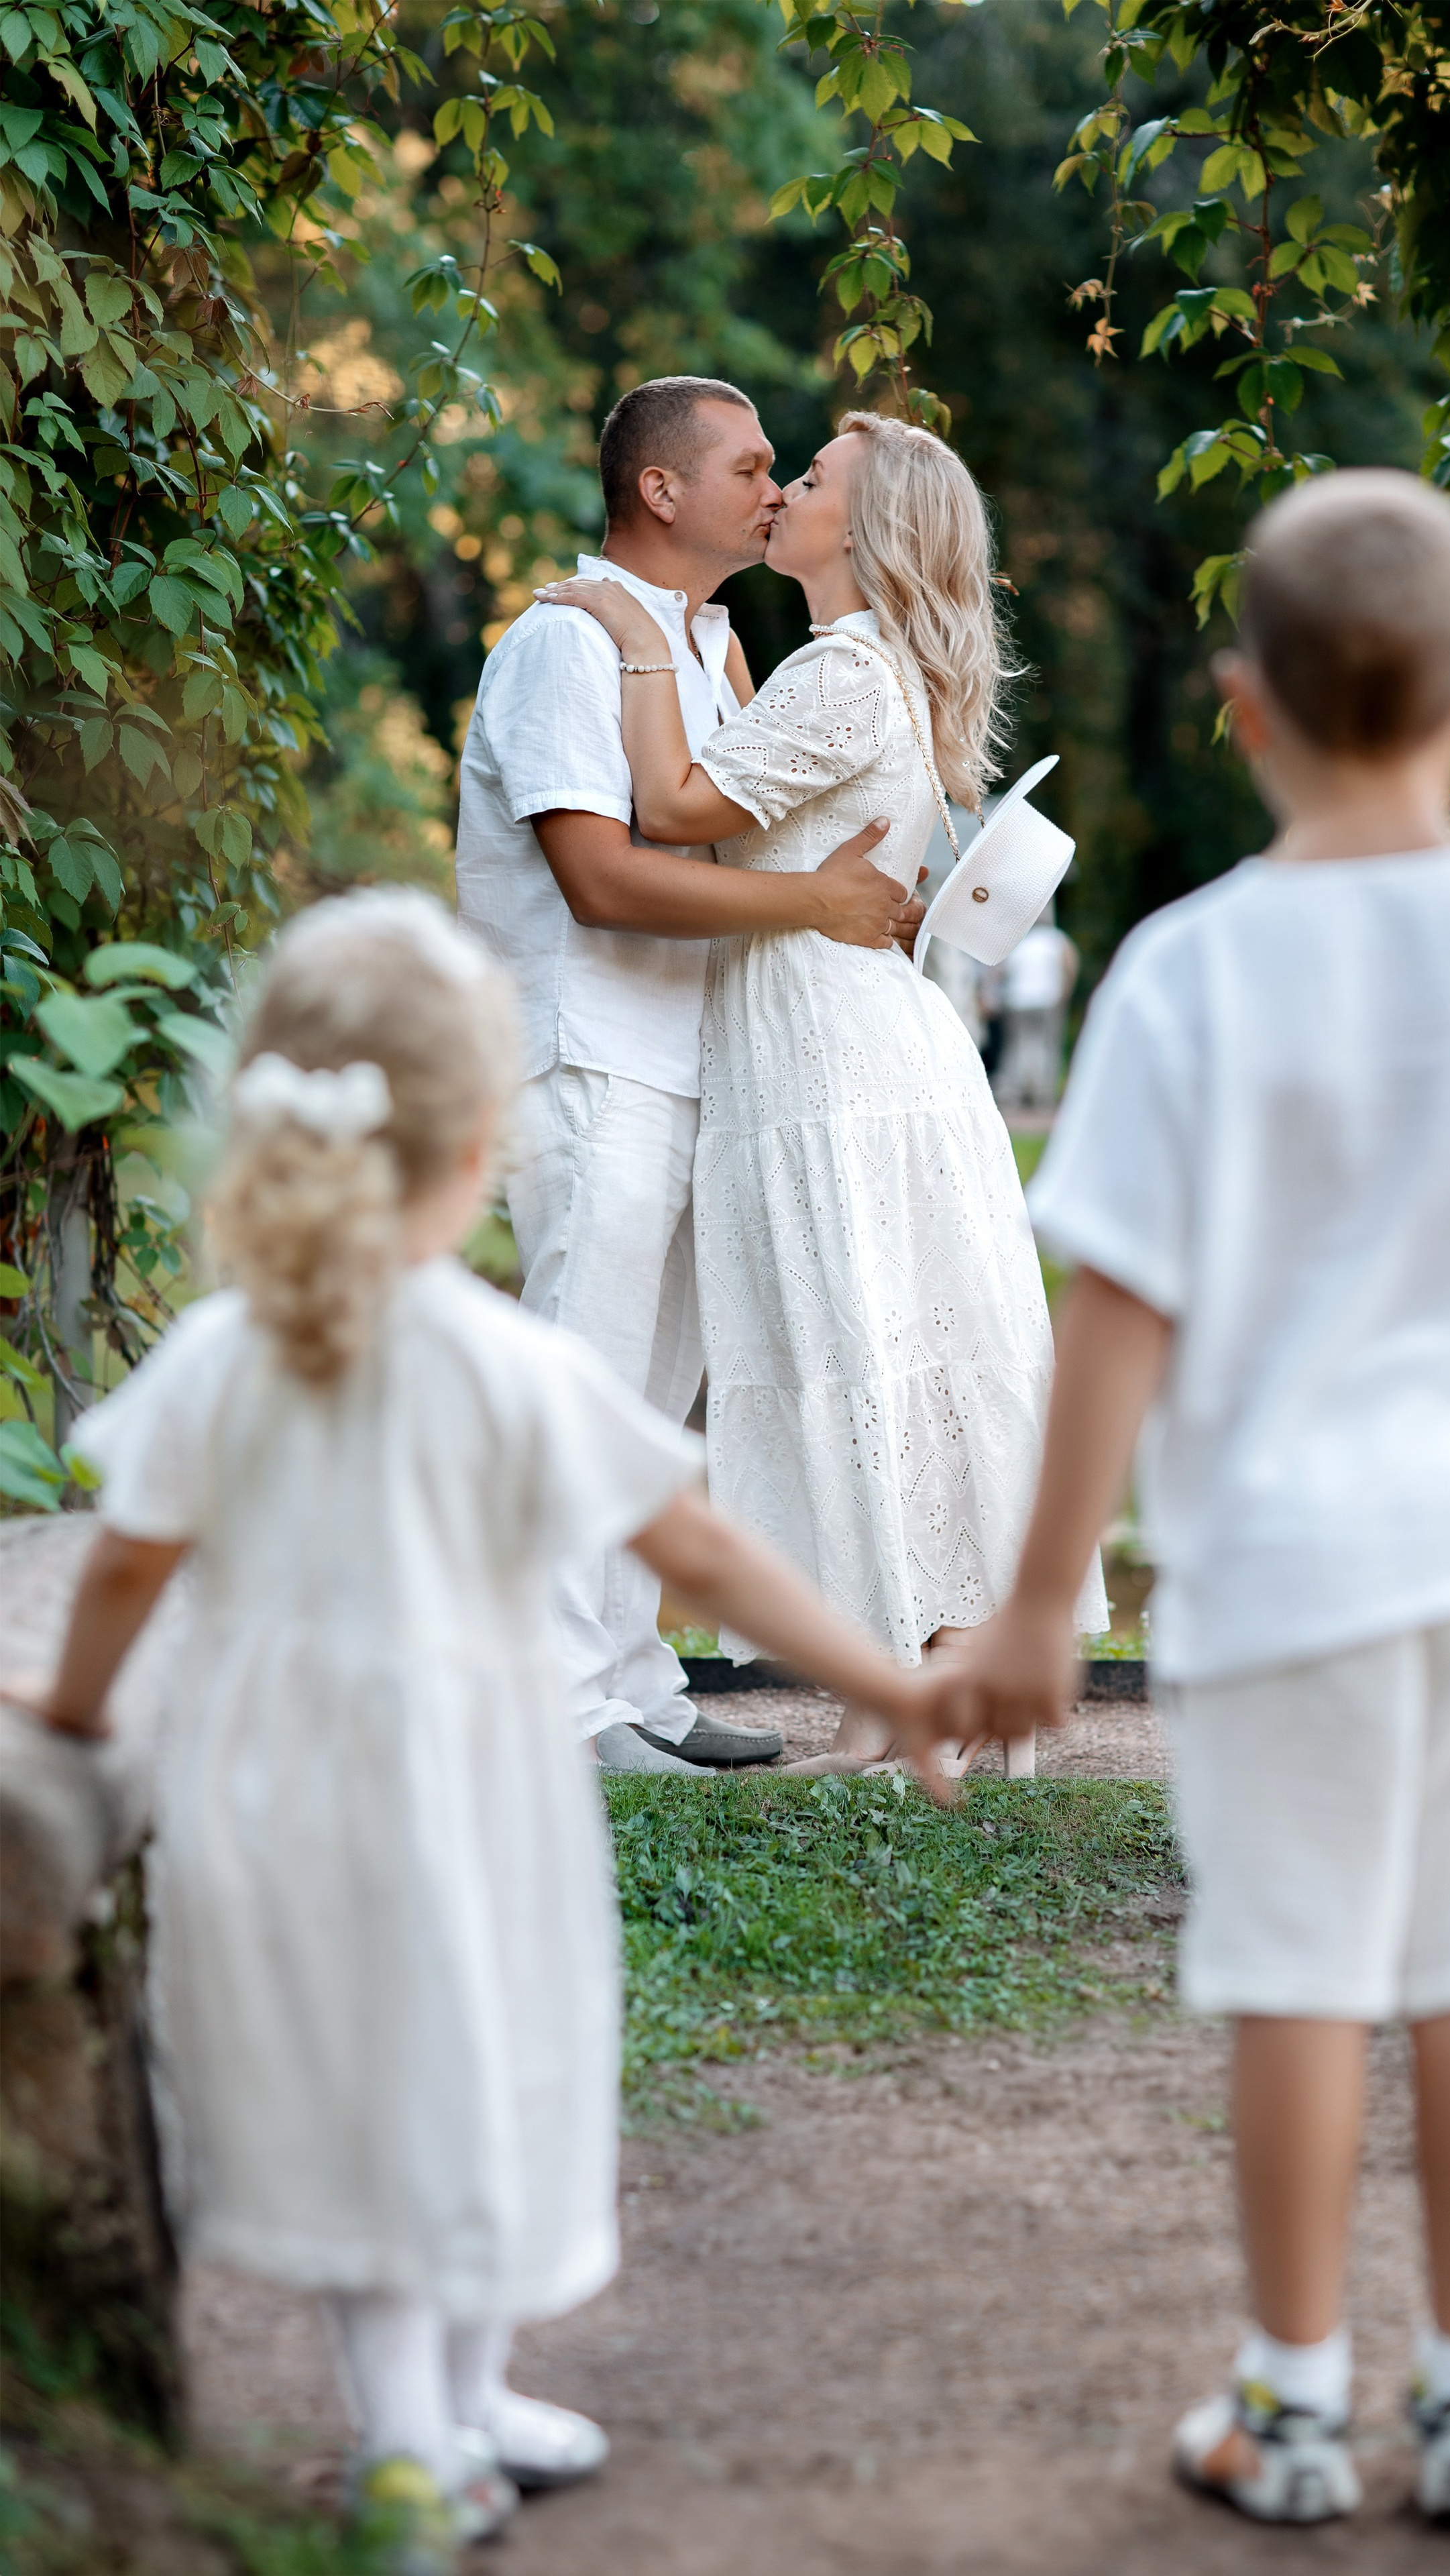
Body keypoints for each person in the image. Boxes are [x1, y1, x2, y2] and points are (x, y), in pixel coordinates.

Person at [10, 892, 960, 2566]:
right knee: (467, 2072)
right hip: (467, 1789)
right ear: (478, 1154)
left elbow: (128, 1569)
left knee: (357, 2085)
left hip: (269, 1797)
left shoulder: (230, 1351)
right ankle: (420, 2437)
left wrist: (73, 1712)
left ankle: (431, 2416)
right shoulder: (505, 1358)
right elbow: (705, 1546)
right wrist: (885, 1681)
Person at [950, 470, 1450, 2522]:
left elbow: (1119, 1304)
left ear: (1243, 705)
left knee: (1291, 1970)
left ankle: (1286, 2400)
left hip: (1277, 1571)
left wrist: (1041, 1599)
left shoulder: (1190, 971)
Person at [537, 413, 1106, 1770]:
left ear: (860, 529)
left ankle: (915, 1682)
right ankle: (934, 1682)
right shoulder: (851, 668)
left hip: (824, 1054)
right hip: (854, 1041)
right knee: (884, 1353)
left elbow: (673, 809)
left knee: (860, 1349)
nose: (782, 491)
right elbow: (755, 791)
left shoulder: (845, 672)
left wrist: (628, 636)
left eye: (809, 482)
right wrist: (718, 655)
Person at [455, 376, 927, 1776]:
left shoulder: (703, 641)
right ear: (661, 490)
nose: (773, 490)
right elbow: (599, 877)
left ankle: (628, 1685)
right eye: (748, 467)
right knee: (583, 1382)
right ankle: (555, 1712)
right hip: (591, 1053)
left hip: (692, 1061)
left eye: (784, 471)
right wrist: (812, 910)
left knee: (647, 1403)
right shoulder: (566, 639)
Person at [992, 903, 1078, 1109]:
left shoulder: (1017, 941)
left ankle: (1015, 1091)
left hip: (1018, 999)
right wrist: (1065, 993)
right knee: (1047, 1045)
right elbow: (1070, 966)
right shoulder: (1057, 940)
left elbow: (1001, 971)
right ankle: (1042, 1094)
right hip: (1047, 999)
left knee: (1018, 1045)